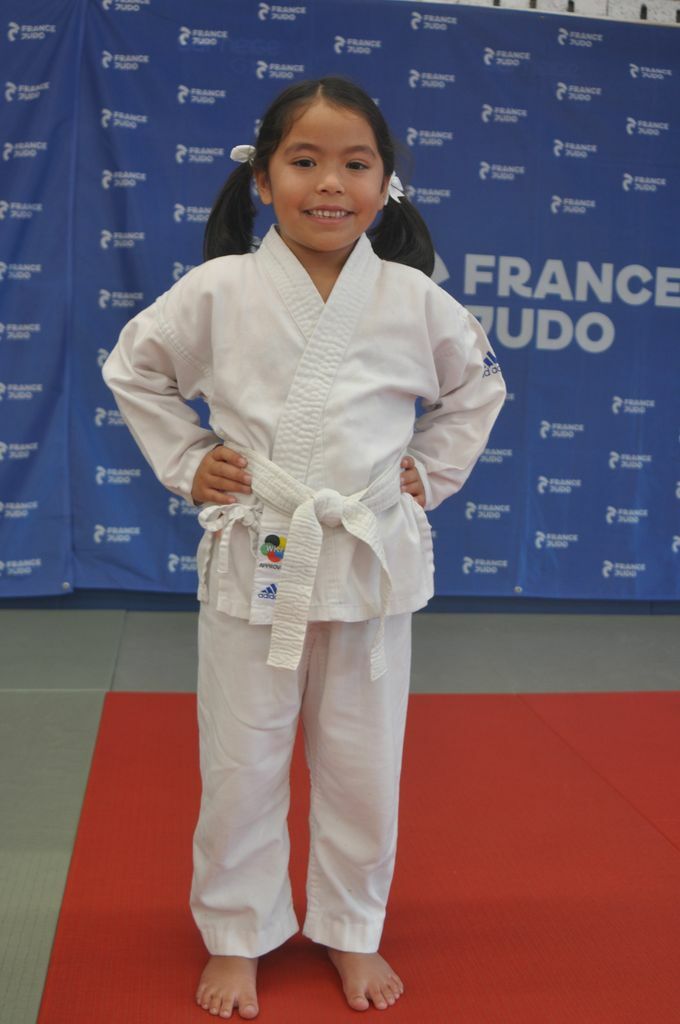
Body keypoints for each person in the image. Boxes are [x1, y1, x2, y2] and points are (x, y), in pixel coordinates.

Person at [103, 75, 506, 1019]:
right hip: (262, 553)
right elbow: (135, 369)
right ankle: (237, 933)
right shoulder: (220, 288)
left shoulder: (412, 298)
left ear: (386, 182)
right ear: (262, 179)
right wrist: (190, 460)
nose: (330, 183)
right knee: (242, 760)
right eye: (305, 160)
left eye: (355, 164)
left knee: (363, 762)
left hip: (365, 559)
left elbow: (477, 389)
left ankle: (351, 926)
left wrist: (429, 470)